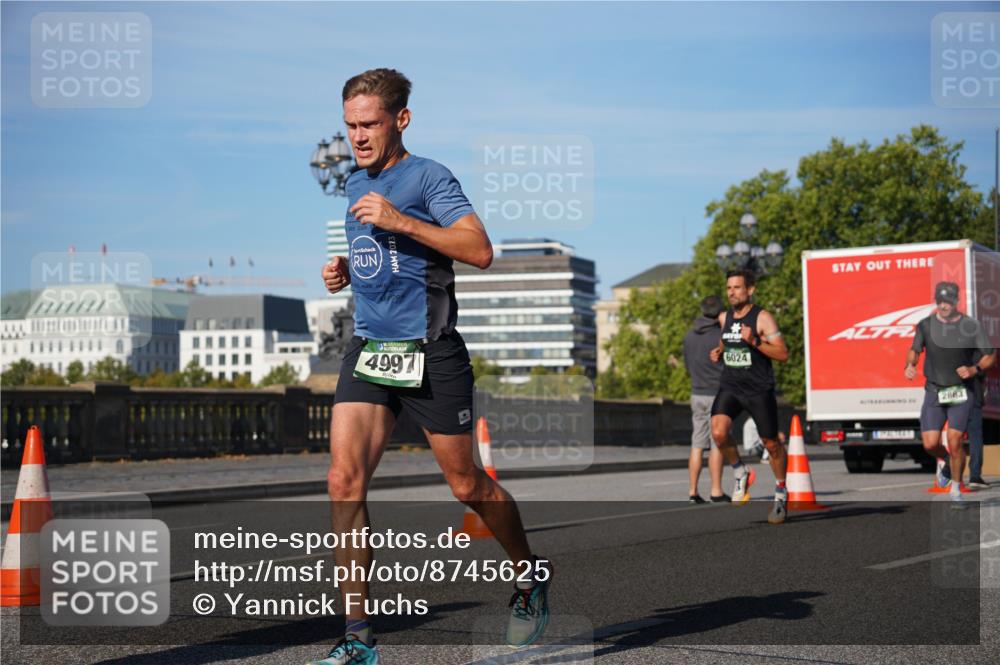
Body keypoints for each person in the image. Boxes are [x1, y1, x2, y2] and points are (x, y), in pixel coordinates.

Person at [312, 69, 551, 665]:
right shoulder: (351, 183)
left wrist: (401, 220)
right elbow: (382, 260)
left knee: (466, 484)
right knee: (343, 482)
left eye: (368, 124)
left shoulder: (430, 177)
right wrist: (346, 269)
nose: (357, 136)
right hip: (370, 349)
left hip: (431, 352)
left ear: (401, 119)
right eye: (349, 125)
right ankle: (358, 636)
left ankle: (529, 575)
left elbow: (480, 250)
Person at [708, 268, 790, 524]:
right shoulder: (725, 317)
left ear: (750, 290)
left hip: (758, 388)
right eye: (729, 288)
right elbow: (727, 341)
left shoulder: (763, 318)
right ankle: (740, 471)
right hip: (731, 385)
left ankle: (780, 491)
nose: (732, 292)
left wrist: (754, 341)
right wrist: (719, 351)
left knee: (771, 444)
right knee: (719, 432)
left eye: (737, 288)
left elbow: (783, 354)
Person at [906, 281, 995, 506]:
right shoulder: (925, 325)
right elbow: (915, 349)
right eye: (940, 301)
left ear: (956, 302)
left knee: (955, 440)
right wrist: (911, 364)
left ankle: (956, 490)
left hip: (961, 391)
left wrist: (974, 369)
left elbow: (990, 355)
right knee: (929, 444)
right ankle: (946, 461)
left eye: (948, 301)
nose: (944, 306)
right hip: (935, 391)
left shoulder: (971, 326)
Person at [682, 295, 729, 503]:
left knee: (697, 444)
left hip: (696, 393)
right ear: (720, 313)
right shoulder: (721, 336)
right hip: (717, 393)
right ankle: (716, 490)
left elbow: (686, 365)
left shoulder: (689, 336)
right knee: (717, 443)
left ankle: (693, 491)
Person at [967, 348, 990, 489]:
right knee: (975, 434)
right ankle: (974, 475)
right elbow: (982, 365)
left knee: (952, 434)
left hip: (949, 390)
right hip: (972, 390)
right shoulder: (973, 340)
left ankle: (946, 474)